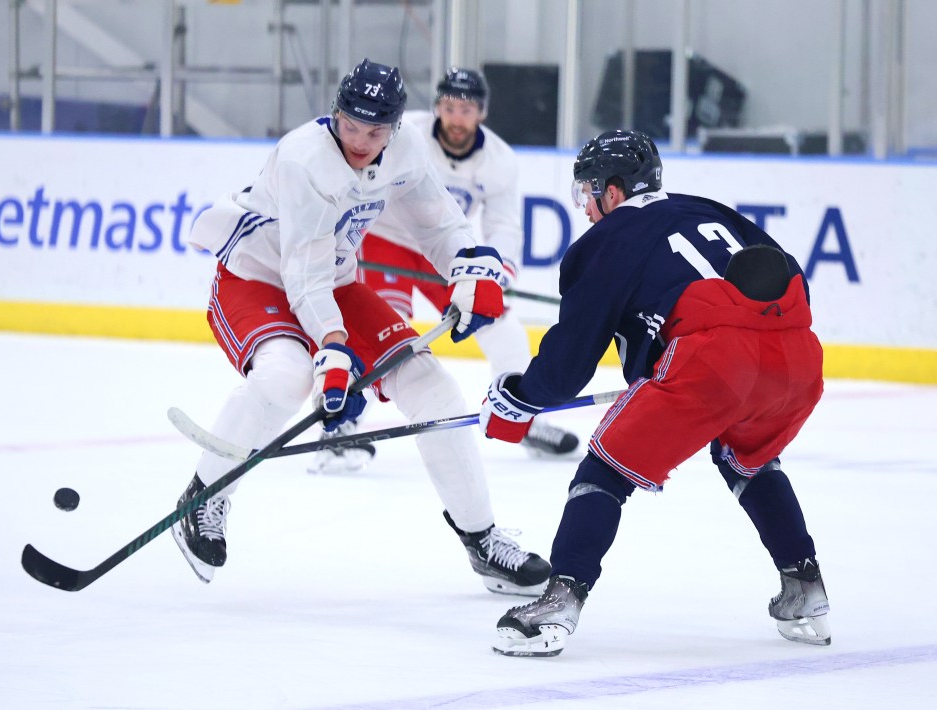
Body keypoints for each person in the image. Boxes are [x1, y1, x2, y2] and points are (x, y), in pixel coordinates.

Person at [169, 58, 551, 598]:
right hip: (257, 277)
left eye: (376, 130)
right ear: (335, 113)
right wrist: (332, 347)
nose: (361, 140)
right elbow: (302, 271)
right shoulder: (305, 159)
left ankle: (482, 540)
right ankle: (203, 496)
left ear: (396, 126)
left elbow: (439, 223)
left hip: (337, 280)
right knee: (286, 377)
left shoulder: (408, 148)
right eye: (351, 124)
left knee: (435, 392)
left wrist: (473, 272)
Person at [478, 129, 830, 656]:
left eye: (587, 193)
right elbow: (785, 277)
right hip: (798, 354)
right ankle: (806, 589)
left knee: (604, 468)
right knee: (748, 459)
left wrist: (520, 397)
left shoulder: (604, 240)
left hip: (711, 362)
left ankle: (558, 604)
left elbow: (570, 362)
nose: (587, 208)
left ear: (612, 192)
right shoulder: (710, 210)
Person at [308, 67, 578, 474]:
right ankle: (341, 428)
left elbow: (504, 226)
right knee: (388, 331)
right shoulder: (407, 131)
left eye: (466, 109)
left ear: (482, 113)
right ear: (437, 107)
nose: (456, 117)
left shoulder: (499, 160)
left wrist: (495, 275)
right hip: (387, 243)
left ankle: (521, 416)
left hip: (443, 251)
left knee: (503, 327)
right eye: (449, 107)